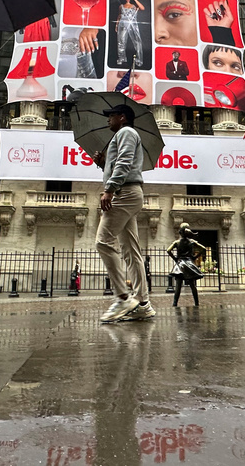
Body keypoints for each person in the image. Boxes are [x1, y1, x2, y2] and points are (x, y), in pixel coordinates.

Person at [93, 103, 152, 323]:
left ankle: (122, 297)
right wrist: (103, 163)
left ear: (123, 117)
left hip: (124, 193)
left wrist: (109, 189)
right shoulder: (123, 134)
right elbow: (121, 162)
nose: (108, 119)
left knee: (103, 242)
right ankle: (143, 303)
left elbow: (126, 162)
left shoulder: (126, 132)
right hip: (130, 193)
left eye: (111, 116)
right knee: (130, 250)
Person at [167, 223, 207, 307]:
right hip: (189, 263)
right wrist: (195, 257)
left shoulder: (177, 242)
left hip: (180, 264)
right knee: (192, 285)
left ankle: (175, 303)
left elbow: (168, 250)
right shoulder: (192, 242)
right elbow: (203, 248)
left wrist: (175, 259)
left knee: (178, 285)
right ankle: (196, 302)